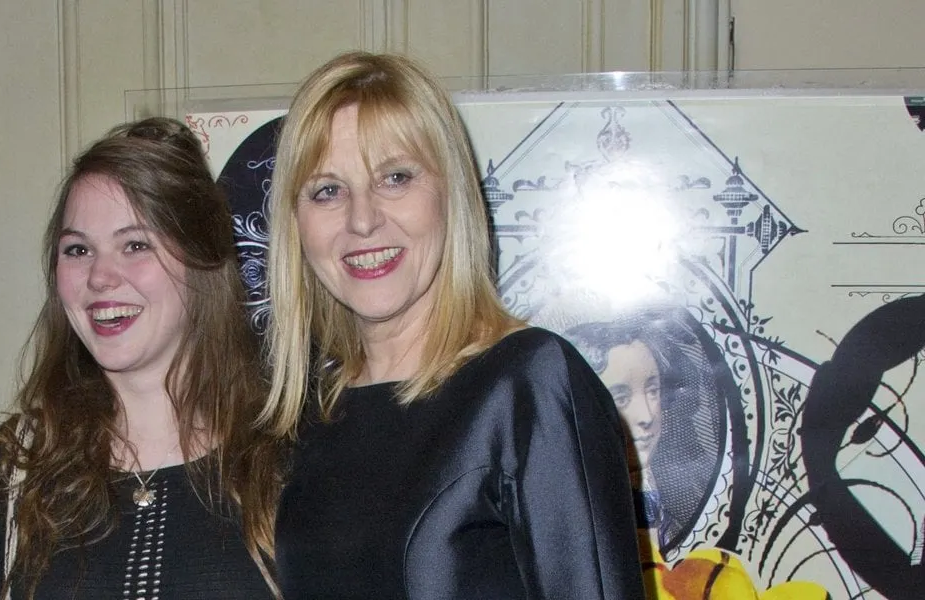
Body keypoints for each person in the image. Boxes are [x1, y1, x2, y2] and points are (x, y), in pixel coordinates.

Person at [261, 51, 644, 599]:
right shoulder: (309, 419)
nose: (362, 219)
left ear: (450, 194)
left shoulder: (527, 384)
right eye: (328, 190)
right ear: (295, 222)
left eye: (395, 178)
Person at [0, 118, 282, 599]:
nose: (100, 277)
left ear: (203, 261)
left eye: (135, 245)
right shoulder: (14, 467)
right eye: (78, 249)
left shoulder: (291, 460)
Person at [565, 308, 725, 555]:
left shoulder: (680, 497)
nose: (647, 416)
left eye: (653, 391)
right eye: (620, 398)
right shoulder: (570, 508)